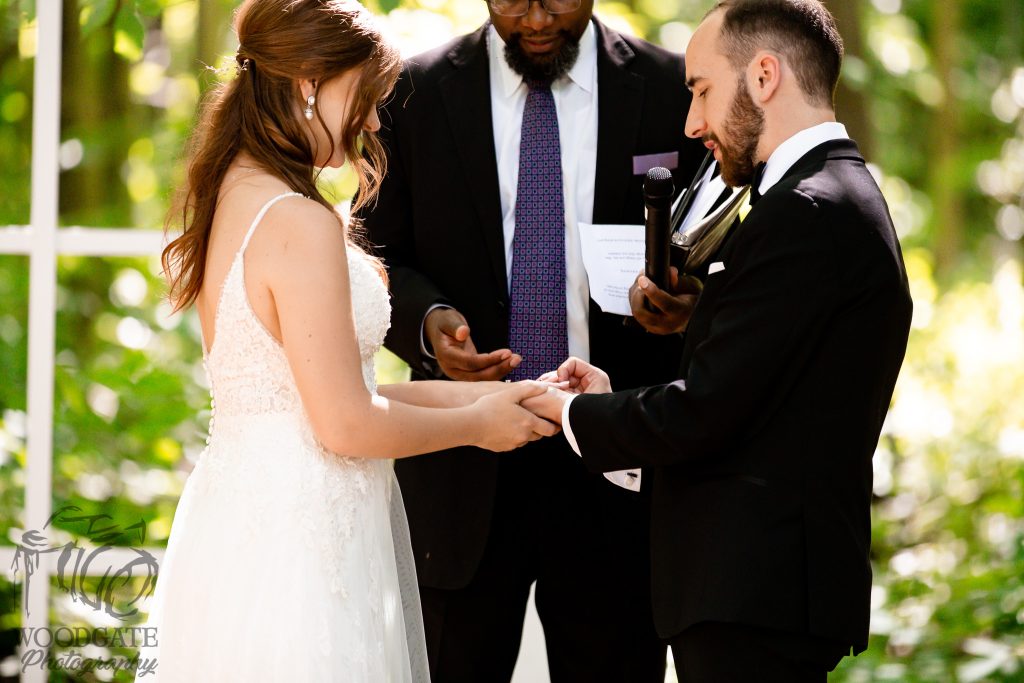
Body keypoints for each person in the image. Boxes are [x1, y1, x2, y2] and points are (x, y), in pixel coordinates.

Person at [138, 1, 559, 681]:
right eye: (364, 98)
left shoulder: (237, 192)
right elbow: (345, 422)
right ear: (309, 82)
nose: (372, 123)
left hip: (253, 526)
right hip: (300, 552)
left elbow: (337, 394)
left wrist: (503, 397)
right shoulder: (295, 219)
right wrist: (478, 426)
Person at [526, 0, 914, 680]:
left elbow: (706, 410)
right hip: (763, 591)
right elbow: (760, 395)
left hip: (758, 594)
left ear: (764, 76)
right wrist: (626, 386)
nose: (691, 123)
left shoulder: (806, 212)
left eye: (701, 90)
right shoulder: (825, 198)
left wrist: (570, 412)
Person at [358, 1, 706, 680]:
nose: (537, 19)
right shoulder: (411, 93)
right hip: (461, 466)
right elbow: (374, 252)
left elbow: (715, 248)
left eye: (558, 0)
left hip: (617, 464)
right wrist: (429, 323)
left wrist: (687, 306)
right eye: (514, 0)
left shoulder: (677, 90)